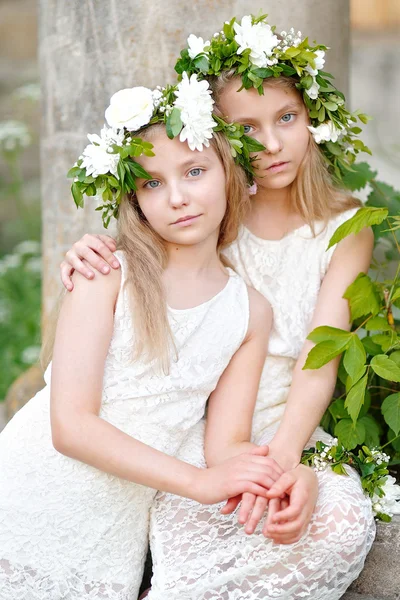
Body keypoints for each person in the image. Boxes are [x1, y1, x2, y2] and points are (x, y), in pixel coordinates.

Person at [59, 16, 376, 599]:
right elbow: (140, 263)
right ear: (218, 139)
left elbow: (320, 356)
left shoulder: (347, 227)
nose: (274, 144)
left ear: (314, 117)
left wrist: (280, 462)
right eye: (248, 128)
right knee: (208, 531)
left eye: (287, 118)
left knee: (337, 521)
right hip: (200, 432)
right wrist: (89, 248)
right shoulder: (205, 209)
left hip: (289, 428)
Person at [0, 76, 314, 600]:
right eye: (151, 183)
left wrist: (286, 478)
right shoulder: (107, 275)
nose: (177, 198)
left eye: (194, 172)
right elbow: (70, 426)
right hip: (31, 496)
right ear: (134, 197)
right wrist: (198, 485)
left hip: (110, 534)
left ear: (231, 173)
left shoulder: (249, 313)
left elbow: (226, 447)